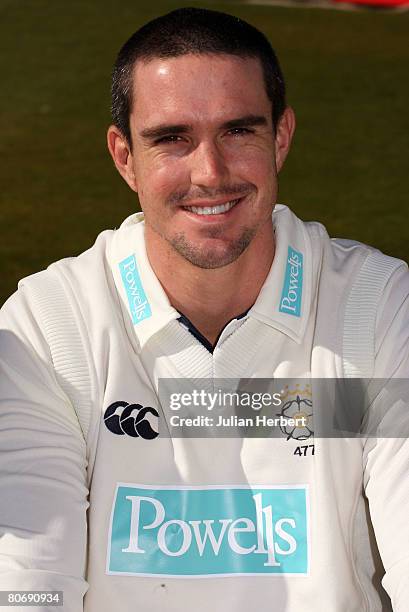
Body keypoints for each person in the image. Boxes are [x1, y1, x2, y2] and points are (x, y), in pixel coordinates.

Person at [0, 7, 408, 612]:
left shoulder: (379, 306)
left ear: (283, 136)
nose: (210, 173)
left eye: (239, 131)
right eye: (172, 139)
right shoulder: (47, 327)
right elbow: (29, 588)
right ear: (123, 157)